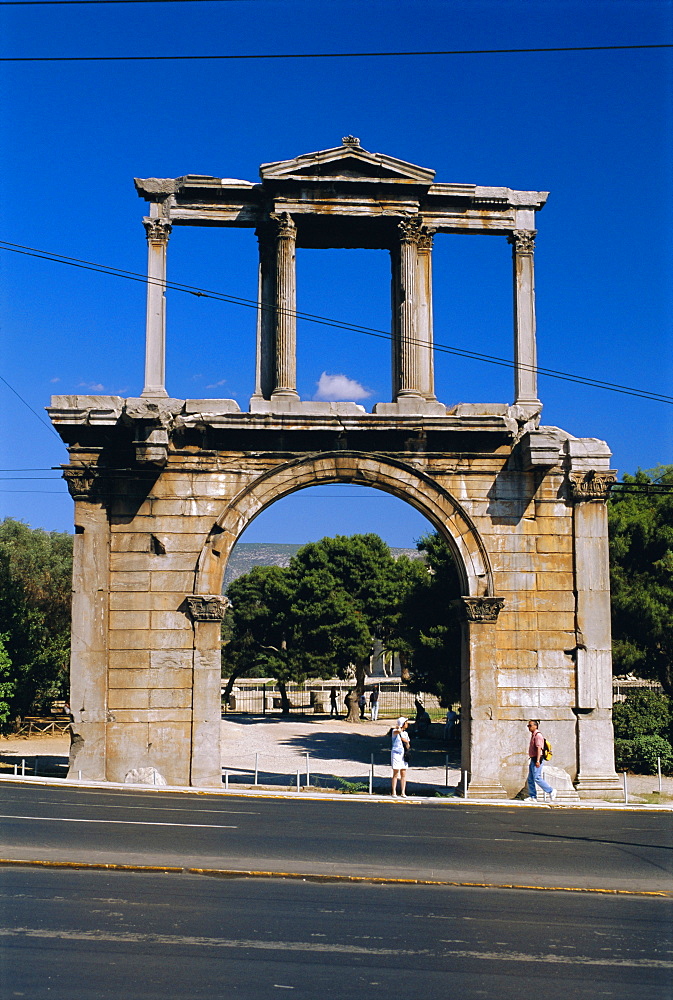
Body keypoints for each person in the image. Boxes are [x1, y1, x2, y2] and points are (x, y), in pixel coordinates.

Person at [525, 720, 557, 802]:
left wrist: (538, 760)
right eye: (528, 725)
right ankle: (533, 796)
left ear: (535, 726)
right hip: (533, 758)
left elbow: (539, 748)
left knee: (537, 777)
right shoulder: (533, 735)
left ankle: (551, 790)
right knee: (530, 779)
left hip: (537, 758)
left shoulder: (538, 735)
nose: (529, 727)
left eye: (530, 725)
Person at [391, 716, 410, 797]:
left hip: (403, 753)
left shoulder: (406, 733)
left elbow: (408, 743)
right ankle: (394, 791)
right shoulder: (395, 731)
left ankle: (403, 792)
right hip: (396, 753)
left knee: (403, 772)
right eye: (406, 722)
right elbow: (398, 731)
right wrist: (399, 728)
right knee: (396, 772)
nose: (407, 724)